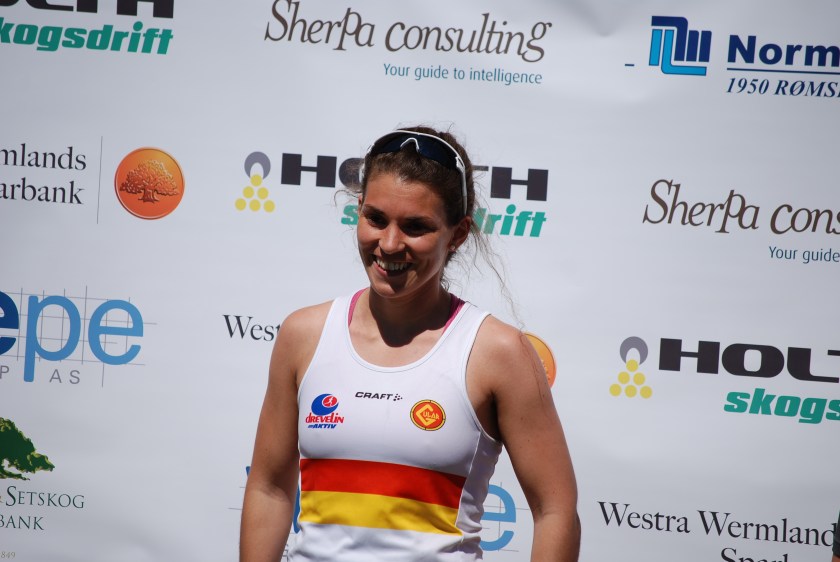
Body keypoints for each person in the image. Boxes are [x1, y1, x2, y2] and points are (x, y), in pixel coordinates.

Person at [240, 126, 580, 561]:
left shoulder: (498, 352)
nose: (389, 244)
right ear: (358, 211)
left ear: (458, 234)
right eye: (376, 218)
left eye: (416, 227)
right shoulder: (303, 335)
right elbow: (269, 489)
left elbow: (556, 511)